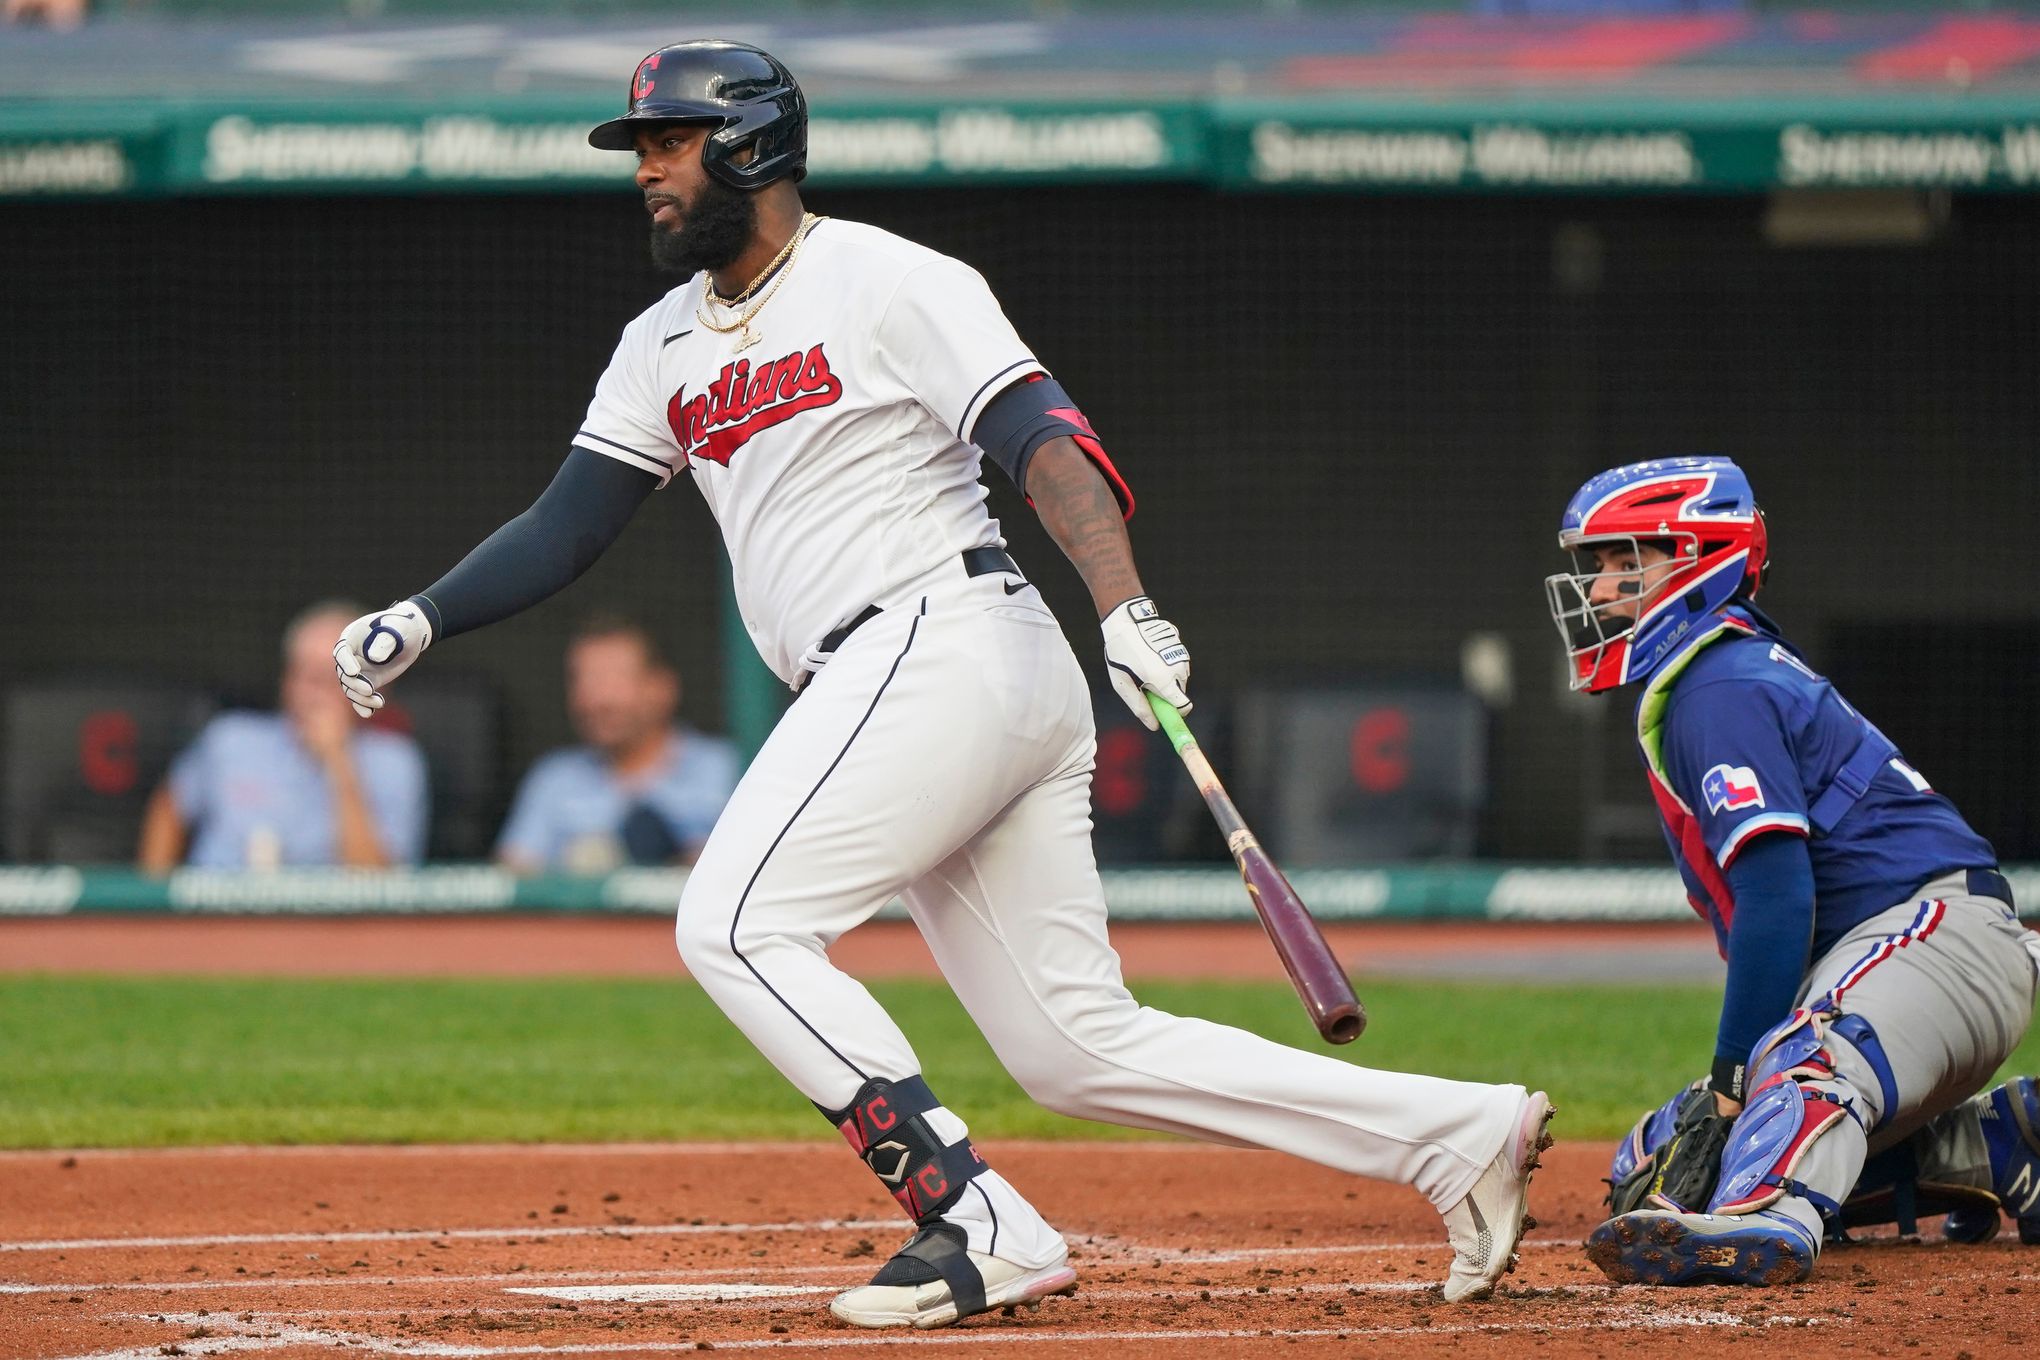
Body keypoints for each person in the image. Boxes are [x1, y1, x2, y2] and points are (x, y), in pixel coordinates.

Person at [330, 39, 1551, 1329]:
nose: (647, 171)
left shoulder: (887, 278)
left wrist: (1125, 603)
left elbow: (1044, 438)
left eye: (670, 142)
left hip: (942, 639)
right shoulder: (660, 344)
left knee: (734, 925)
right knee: (1073, 1046)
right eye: (639, 149)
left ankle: (972, 1218)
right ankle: (1453, 1135)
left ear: (751, 144)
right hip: (918, 678)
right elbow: (569, 519)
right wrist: (425, 613)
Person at [1545, 456, 2040, 1286]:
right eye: (1599, 567)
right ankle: (1995, 1143)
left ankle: (1766, 1220)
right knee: (1653, 1155)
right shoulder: (1713, 672)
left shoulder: (1718, 684)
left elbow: (1779, 896)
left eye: (1627, 562)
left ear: (1701, 558)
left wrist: (1736, 1077)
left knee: (1797, 1067)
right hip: (1913, 961)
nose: (1600, 593)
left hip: (1935, 940)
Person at [138, 601, 427, 871]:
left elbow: (378, 884)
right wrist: (156, 906)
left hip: (322, 922)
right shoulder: (231, 738)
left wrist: (340, 761)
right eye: (304, 676)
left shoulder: (396, 762)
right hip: (217, 916)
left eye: (329, 679)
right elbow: (169, 811)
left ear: (369, 685)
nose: (313, 695)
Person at [496, 614, 739, 873]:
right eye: (585, 680)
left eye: (614, 679)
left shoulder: (726, 769)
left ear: (663, 687)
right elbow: (511, 881)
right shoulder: (554, 780)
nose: (598, 700)